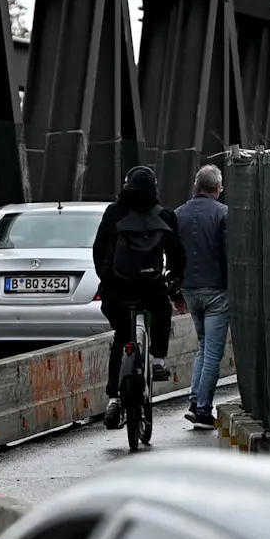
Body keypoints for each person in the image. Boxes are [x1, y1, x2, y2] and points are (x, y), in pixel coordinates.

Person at [93, 164, 186, 431]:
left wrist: (106, 278)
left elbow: (99, 250)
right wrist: (175, 278)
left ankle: (113, 399)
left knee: (120, 338)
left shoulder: (114, 213)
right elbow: (177, 253)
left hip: (118, 289)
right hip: (150, 286)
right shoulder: (164, 215)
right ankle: (157, 360)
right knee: (161, 311)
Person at [176, 163, 231, 429]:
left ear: (196, 187)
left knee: (203, 345)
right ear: (218, 188)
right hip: (217, 290)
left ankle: (194, 399)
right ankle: (203, 410)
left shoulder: (178, 214)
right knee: (212, 353)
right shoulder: (223, 214)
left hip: (189, 289)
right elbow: (228, 252)